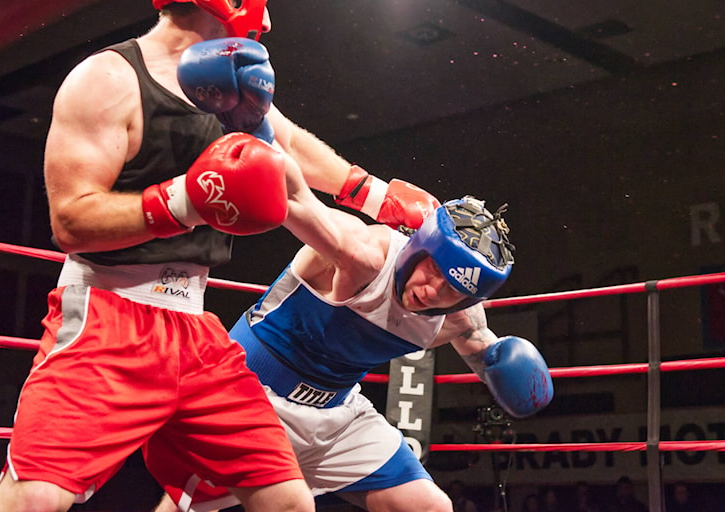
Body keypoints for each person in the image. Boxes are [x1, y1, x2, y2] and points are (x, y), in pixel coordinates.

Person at [0, 0, 439, 512]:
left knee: (288, 502)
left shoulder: (228, 85)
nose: (266, 17)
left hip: (197, 329)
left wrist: (372, 195)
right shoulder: (108, 79)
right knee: (36, 500)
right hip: (108, 319)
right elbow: (71, 221)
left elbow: (287, 143)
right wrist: (183, 201)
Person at [155, 196, 553, 512]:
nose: (433, 291)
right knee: (191, 505)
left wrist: (502, 366)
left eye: (452, 289)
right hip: (250, 396)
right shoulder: (357, 253)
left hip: (338, 414)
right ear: (420, 246)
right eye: (433, 269)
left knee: (429, 507)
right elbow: (289, 197)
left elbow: (483, 350)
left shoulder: (458, 317)